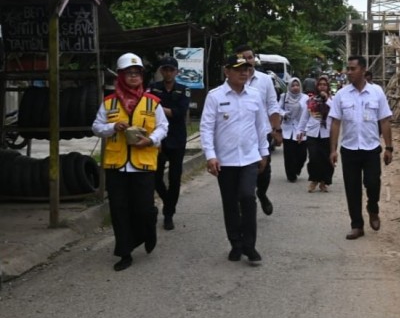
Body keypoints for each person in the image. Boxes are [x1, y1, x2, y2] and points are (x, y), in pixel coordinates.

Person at [92, 52, 168, 271]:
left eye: (137, 73)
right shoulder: (109, 103)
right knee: (119, 209)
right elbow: (96, 127)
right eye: (129, 73)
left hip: (142, 164)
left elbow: (163, 126)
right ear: (121, 76)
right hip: (116, 165)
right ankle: (124, 252)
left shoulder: (152, 102)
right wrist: (112, 127)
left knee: (143, 209)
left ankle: (148, 228)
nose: (134, 77)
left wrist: (151, 140)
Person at [200, 54, 270, 264]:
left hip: (249, 158)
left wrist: (264, 152)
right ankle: (235, 244)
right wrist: (210, 156)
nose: (244, 72)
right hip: (225, 161)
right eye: (238, 69)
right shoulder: (215, 96)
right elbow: (206, 127)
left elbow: (261, 126)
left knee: (248, 197)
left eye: (247, 69)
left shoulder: (255, 95)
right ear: (226, 71)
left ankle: (250, 245)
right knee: (230, 203)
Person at [329, 55, 393, 240]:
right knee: (352, 188)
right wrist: (333, 150)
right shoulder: (341, 94)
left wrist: (389, 147)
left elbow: (385, 120)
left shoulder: (377, 92)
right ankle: (357, 225)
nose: (348, 72)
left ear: (363, 70)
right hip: (349, 149)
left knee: (373, 183)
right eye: (347, 69)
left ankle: (373, 208)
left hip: (371, 148)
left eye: (352, 69)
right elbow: (335, 123)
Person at [235, 44, 282, 216]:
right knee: (242, 167)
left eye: (249, 57)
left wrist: (276, 129)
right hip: (241, 133)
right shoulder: (233, 80)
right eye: (243, 58)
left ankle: (261, 193)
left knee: (264, 169)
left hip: (262, 132)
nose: (247, 61)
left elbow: (272, 104)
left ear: (254, 59)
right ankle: (245, 199)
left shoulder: (265, 80)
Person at [148, 55, 190, 230]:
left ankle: (168, 214)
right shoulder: (153, 88)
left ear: (176, 72)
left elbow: (180, 112)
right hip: (158, 139)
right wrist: (164, 110)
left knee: (174, 178)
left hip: (177, 138)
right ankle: (168, 202)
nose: (168, 72)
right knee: (156, 178)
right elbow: (147, 110)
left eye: (171, 69)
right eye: (164, 69)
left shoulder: (183, 89)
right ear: (161, 71)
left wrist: (157, 108)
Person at [298, 74, 334, 192]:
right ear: (317, 86)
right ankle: (314, 179)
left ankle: (324, 182)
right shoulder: (311, 101)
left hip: (327, 133)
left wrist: (326, 99)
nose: (322, 87)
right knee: (313, 157)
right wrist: (301, 131)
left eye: (325, 85)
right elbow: (304, 117)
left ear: (328, 87)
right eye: (320, 85)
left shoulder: (333, 100)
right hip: (313, 132)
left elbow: (335, 113)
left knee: (326, 159)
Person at [279, 77, 308, 182]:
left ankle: (297, 168)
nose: (295, 87)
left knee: (302, 154)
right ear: (289, 87)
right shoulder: (284, 96)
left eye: (297, 85)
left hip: (300, 128)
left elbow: (308, 112)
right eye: (293, 85)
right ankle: (291, 175)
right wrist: (284, 114)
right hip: (287, 128)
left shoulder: (305, 98)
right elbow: (278, 108)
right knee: (289, 154)